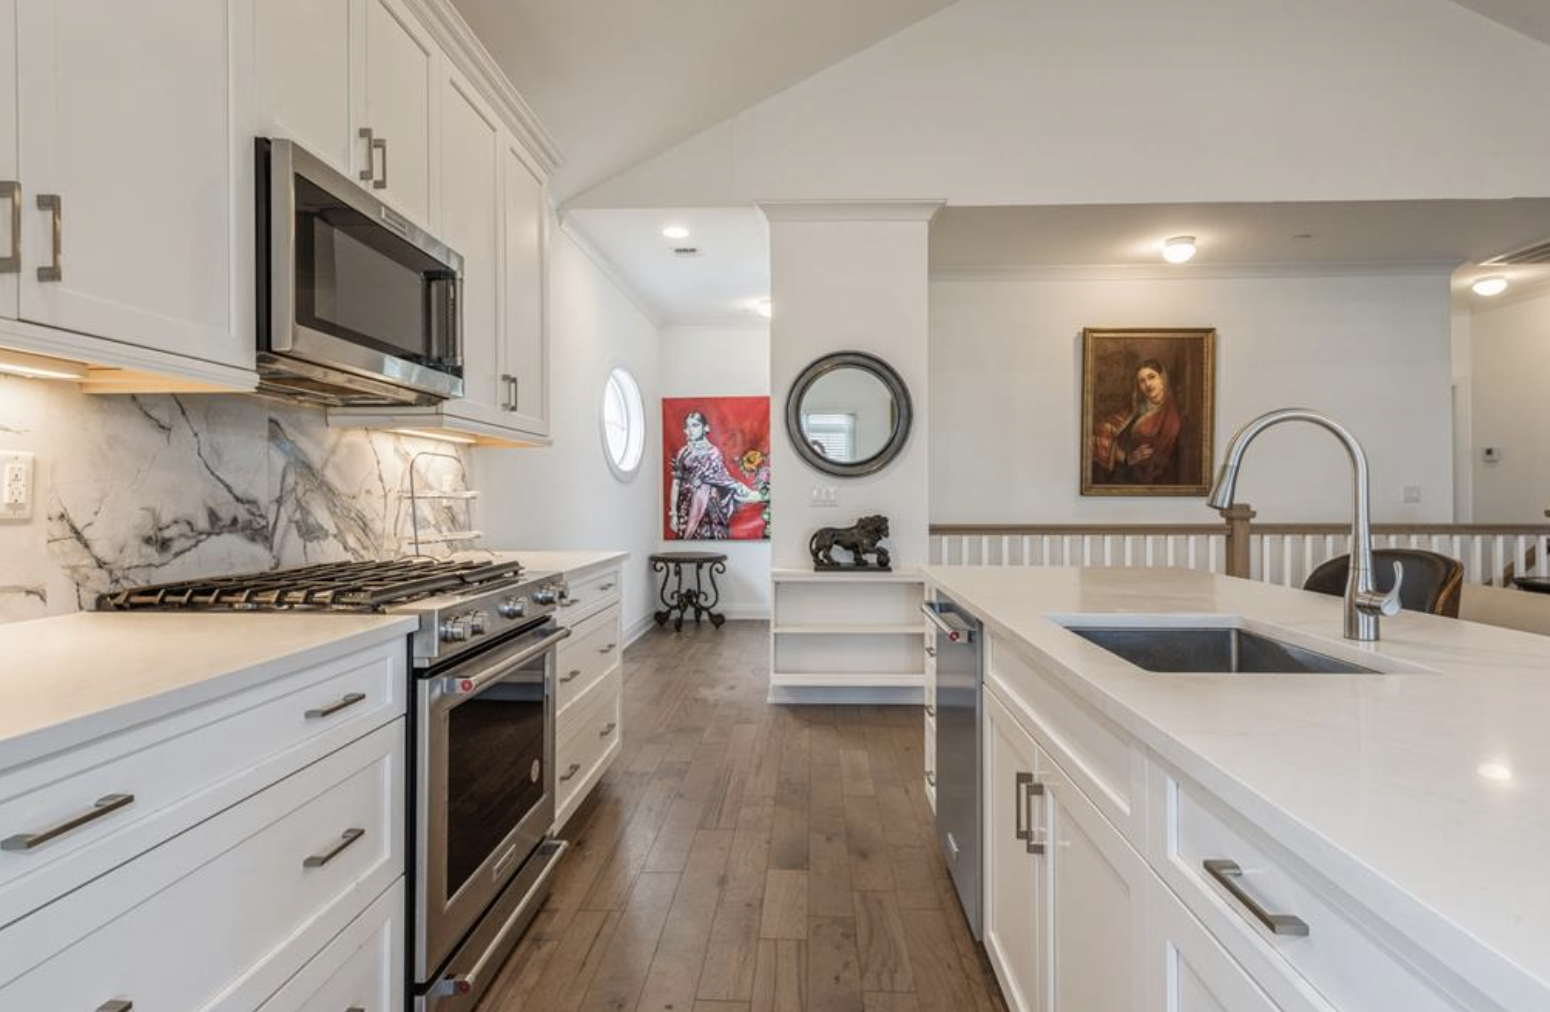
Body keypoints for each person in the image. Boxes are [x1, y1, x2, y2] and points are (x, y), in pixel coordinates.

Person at [669, 410, 765, 539]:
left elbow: (722, 480)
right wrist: (674, 514)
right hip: (686, 506)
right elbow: (676, 482)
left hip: (709, 507)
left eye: (695, 425)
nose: (691, 430)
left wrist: (737, 487)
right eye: (688, 426)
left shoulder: (714, 453)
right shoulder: (683, 453)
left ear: (706, 428)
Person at [1091, 358, 1185, 485]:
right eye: (1142, 381)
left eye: (1151, 377)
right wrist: (1126, 458)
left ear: (1162, 378)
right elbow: (1108, 429)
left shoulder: (1173, 414)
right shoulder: (1136, 408)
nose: (1148, 384)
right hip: (1123, 471)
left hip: (1153, 478)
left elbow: (1159, 455)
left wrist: (1130, 459)